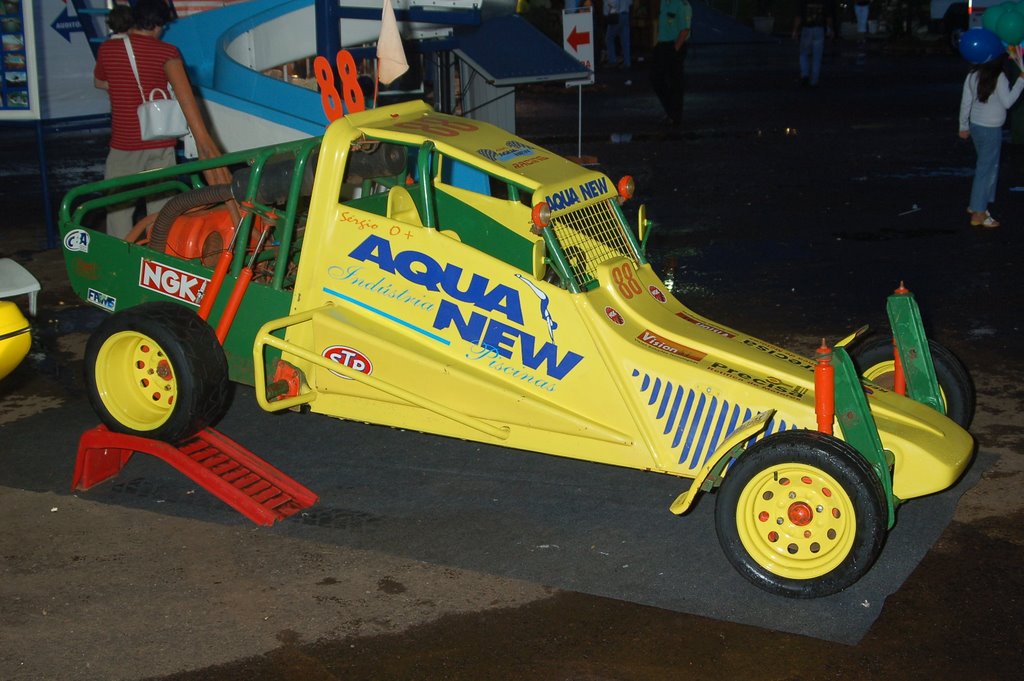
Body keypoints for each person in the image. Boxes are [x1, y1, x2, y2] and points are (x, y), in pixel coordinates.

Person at [94, 0, 226, 239]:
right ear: (157, 24)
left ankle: (120, 257)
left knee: (118, 209)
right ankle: (155, 256)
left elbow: (100, 82)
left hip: (123, 144)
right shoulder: (167, 52)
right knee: (160, 206)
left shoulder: (107, 50)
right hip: (160, 142)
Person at [959, 52, 1024, 228]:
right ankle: (979, 213)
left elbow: (966, 101)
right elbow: (1008, 102)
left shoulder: (973, 74)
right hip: (991, 129)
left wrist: (963, 126)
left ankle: (976, 205)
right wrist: (1021, 81)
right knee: (986, 170)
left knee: (986, 167)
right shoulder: (999, 77)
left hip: (976, 126)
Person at [650, 0, 691, 127]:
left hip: (674, 45)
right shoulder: (664, 3)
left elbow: (685, 30)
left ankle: (675, 116)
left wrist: (675, 49)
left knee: (676, 82)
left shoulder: (682, 5)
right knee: (656, 78)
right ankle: (671, 111)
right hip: (662, 45)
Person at [792, 0, 835, 88]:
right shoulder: (825, 2)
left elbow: (799, 16)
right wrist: (830, 29)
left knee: (804, 54)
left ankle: (805, 75)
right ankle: (814, 80)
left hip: (807, 28)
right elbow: (828, 17)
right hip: (819, 29)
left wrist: (795, 30)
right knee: (817, 56)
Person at [603, 0, 631, 70]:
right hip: (626, 14)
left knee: (609, 39)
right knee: (625, 40)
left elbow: (612, 2)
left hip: (616, 14)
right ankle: (627, 62)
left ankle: (612, 61)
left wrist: (606, 13)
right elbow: (630, 2)